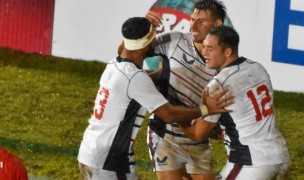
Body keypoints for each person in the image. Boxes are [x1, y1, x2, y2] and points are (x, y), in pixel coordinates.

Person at [77, 17, 233, 180]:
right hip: (109, 160)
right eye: (152, 39)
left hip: (93, 151)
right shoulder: (135, 77)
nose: (156, 43)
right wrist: (206, 109)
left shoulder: (115, 65)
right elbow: (169, 114)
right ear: (145, 45)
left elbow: (146, 81)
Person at [181, 25, 291, 179]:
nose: (204, 52)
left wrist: (178, 119)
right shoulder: (257, 68)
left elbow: (198, 135)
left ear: (227, 52)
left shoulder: (218, 85)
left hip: (250, 164)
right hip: (280, 156)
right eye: (204, 47)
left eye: (210, 49)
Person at [144, 0, 227, 179]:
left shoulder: (224, 59)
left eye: (201, 21)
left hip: (197, 137)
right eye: (192, 19)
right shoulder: (175, 40)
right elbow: (132, 53)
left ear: (217, 24)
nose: (193, 25)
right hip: (164, 133)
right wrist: (144, 30)